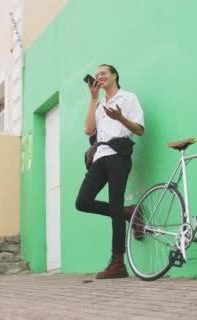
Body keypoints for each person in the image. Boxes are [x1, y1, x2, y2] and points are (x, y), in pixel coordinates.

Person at [75, 64, 145, 279]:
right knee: (82, 202)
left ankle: (118, 263)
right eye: (97, 76)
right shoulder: (98, 104)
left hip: (118, 156)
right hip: (99, 157)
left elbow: (140, 130)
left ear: (115, 75)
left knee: (114, 206)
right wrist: (93, 98)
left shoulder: (128, 98)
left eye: (104, 73)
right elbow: (88, 130)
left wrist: (121, 119)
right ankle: (128, 212)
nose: (100, 77)